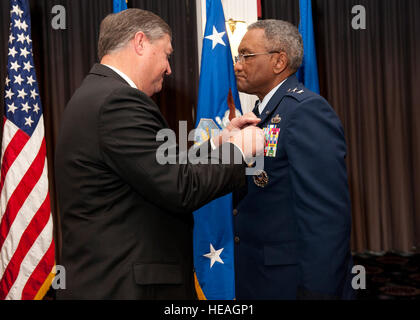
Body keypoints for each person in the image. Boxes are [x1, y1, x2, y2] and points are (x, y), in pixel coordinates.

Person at [54, 9, 264, 299]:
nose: (169, 68)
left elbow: (156, 169)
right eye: (166, 54)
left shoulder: (97, 93)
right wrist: (240, 150)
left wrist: (217, 143)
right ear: (140, 43)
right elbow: (180, 187)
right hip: (126, 287)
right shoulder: (118, 100)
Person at [232, 19, 355, 299]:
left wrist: (317, 292)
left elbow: (326, 220)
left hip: (290, 281)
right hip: (259, 277)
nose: (238, 64)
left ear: (278, 61)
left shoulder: (306, 112)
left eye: (246, 56)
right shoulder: (263, 114)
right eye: (238, 57)